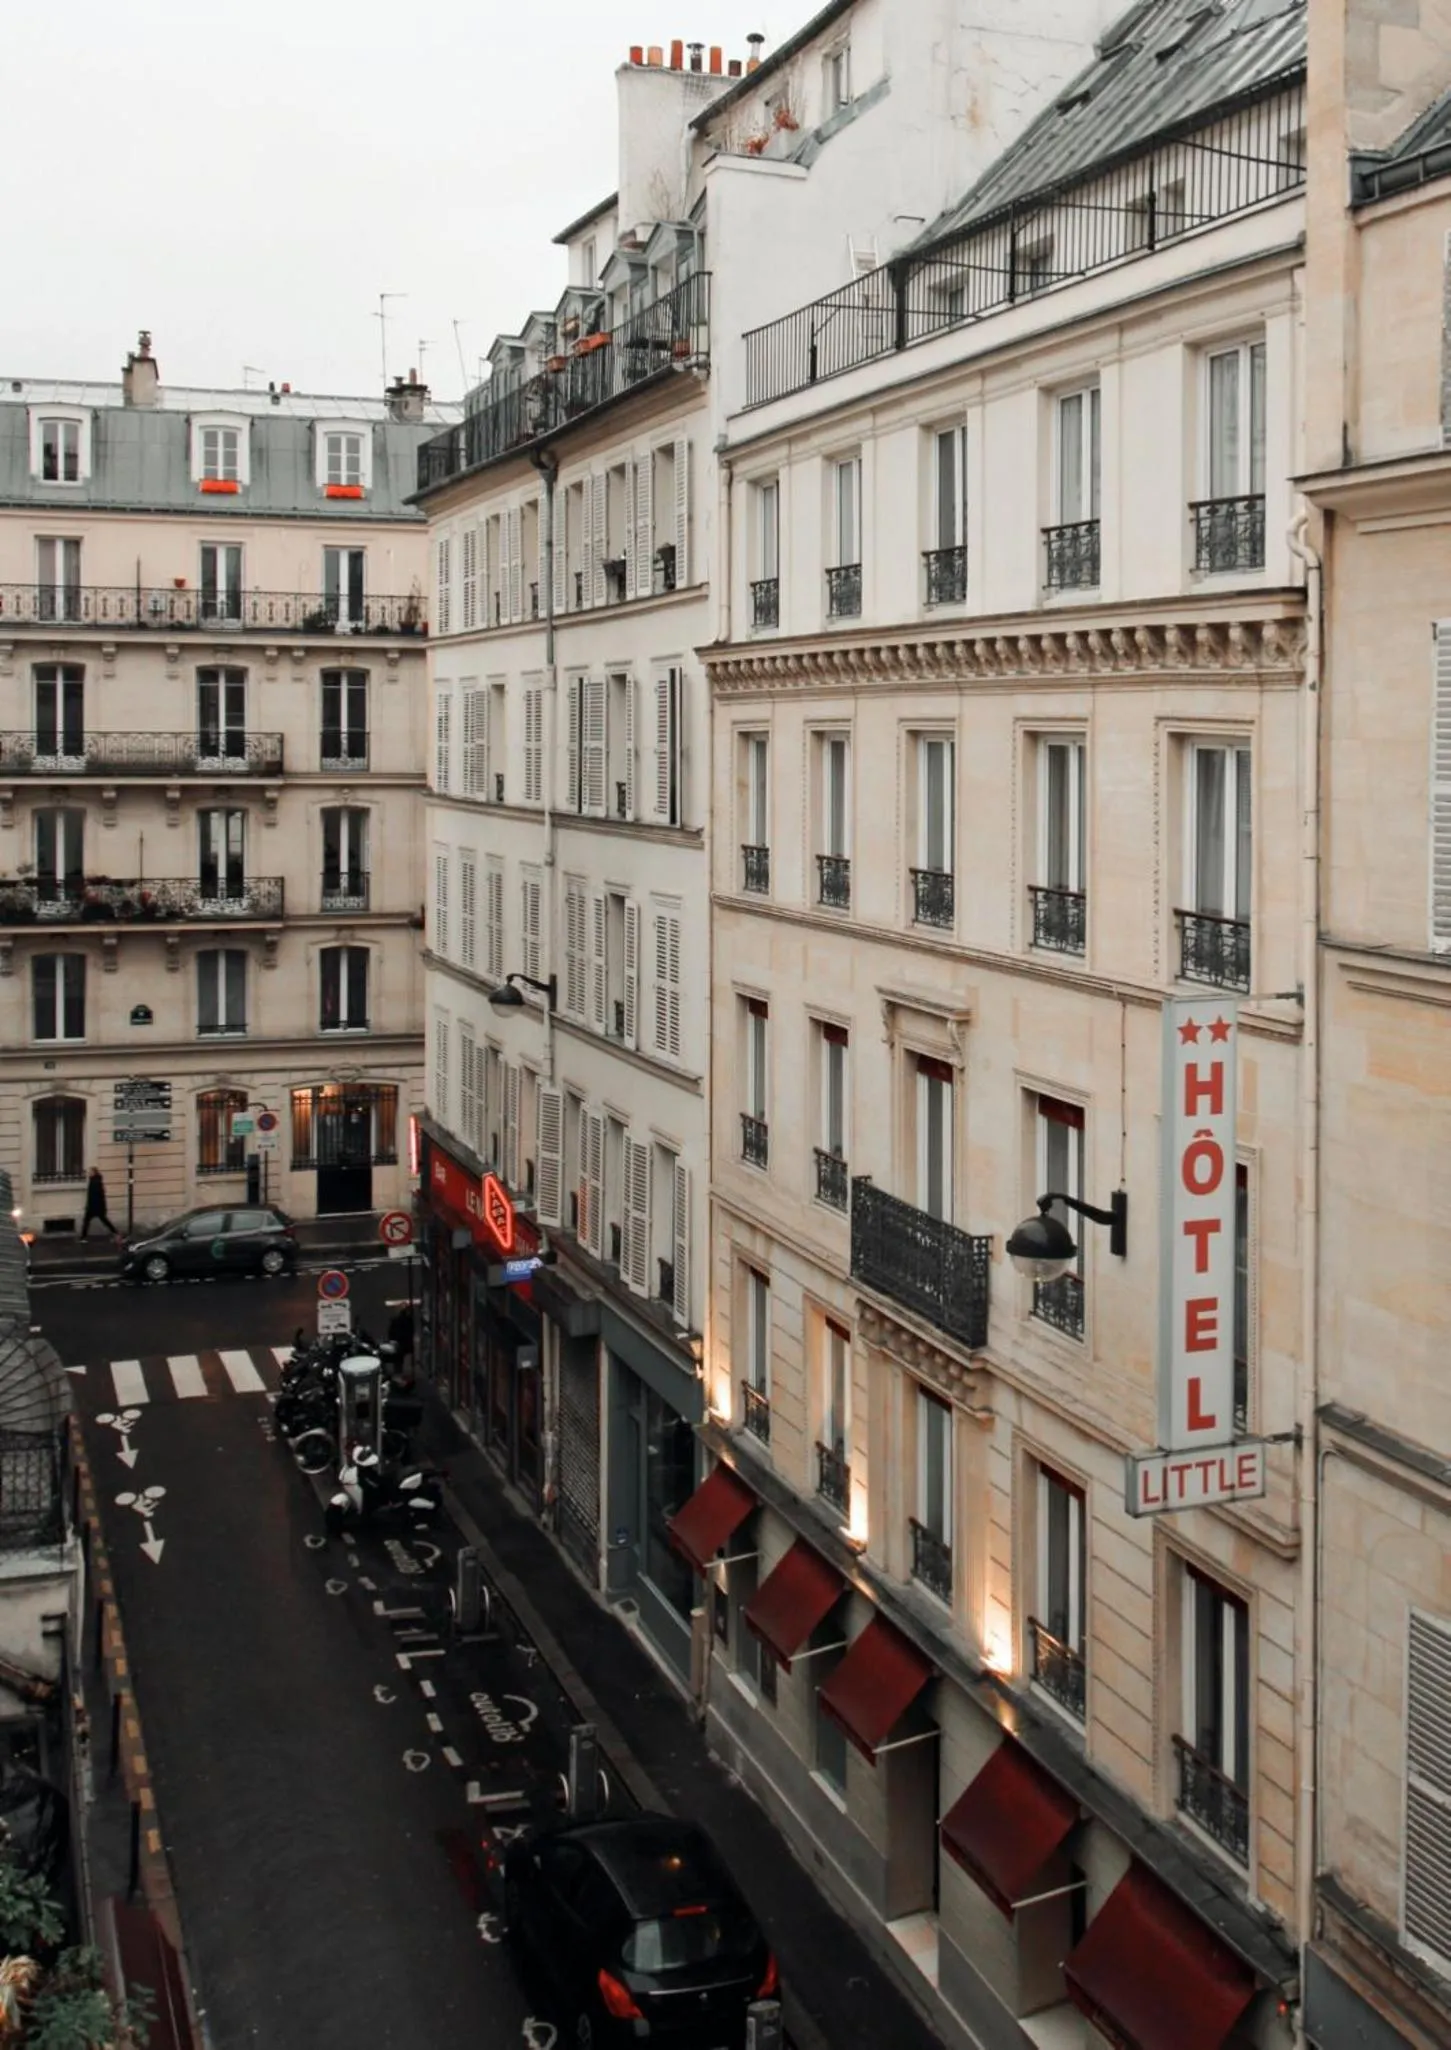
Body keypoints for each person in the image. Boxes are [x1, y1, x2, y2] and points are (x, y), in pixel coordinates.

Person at [82, 1167, 118, 1238]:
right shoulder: (96, 1181)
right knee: (103, 1220)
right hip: (97, 1206)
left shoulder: (95, 1182)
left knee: (88, 1221)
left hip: (95, 1206)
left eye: (90, 1172)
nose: (89, 1173)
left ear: (94, 1173)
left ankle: (83, 1237)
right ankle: (116, 1232)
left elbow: (94, 1196)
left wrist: (89, 1206)